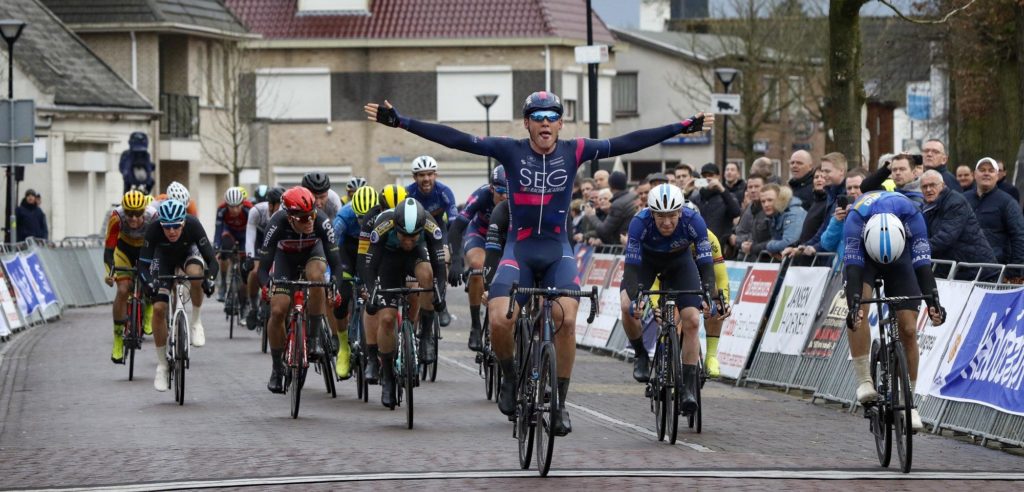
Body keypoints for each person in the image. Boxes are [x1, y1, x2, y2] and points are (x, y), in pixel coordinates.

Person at [364, 91, 712, 434]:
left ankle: (559, 402)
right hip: (521, 249)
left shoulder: (575, 150)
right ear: (527, 123)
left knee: (566, 318)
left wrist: (680, 127)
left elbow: (629, 141)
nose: (545, 123)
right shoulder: (510, 150)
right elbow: (458, 140)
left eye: (552, 117)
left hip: (558, 250)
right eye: (538, 117)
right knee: (500, 320)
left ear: (560, 123)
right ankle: (511, 379)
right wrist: (402, 123)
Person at [844, 191, 946, 430]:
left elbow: (922, 265)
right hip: (865, 261)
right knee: (858, 309)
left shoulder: (912, 216)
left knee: (909, 329)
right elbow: (853, 271)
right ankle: (864, 380)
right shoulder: (855, 220)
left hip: (902, 259)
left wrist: (934, 303)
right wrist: (855, 306)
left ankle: (908, 402)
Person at [619, 184, 721, 412]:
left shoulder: (693, 221)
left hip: (679, 264)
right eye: (661, 217)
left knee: (692, 320)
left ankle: (688, 387)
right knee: (627, 306)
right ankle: (641, 356)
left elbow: (706, 263)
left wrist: (707, 293)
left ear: (680, 212)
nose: (667, 223)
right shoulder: (639, 223)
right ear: (652, 213)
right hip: (646, 263)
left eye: (672, 216)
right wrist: (637, 299)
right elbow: (632, 269)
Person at [257, 187, 346, 394]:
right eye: (303, 218)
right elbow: (263, 268)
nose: (309, 221)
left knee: (316, 279)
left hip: (312, 255)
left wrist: (335, 286)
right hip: (284, 259)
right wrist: (265, 286)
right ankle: (277, 367)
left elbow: (337, 265)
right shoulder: (276, 223)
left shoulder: (321, 221)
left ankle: (314, 338)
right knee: (278, 310)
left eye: (311, 215)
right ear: (289, 217)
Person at [362, 198, 447, 407]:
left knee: (427, 274)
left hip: (415, 259)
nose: (408, 241)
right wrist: (372, 294)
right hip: (388, 261)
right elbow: (370, 268)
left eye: (413, 237)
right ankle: (388, 377)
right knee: (388, 319)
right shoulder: (383, 224)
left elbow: (439, 267)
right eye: (404, 236)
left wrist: (440, 294)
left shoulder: (429, 224)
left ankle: (426, 334)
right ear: (396, 228)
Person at [138, 199, 218, 391]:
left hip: (187, 254)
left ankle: (196, 322)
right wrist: (148, 283)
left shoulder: (193, 225)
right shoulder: (154, 229)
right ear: (161, 224)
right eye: (167, 227)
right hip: (163, 258)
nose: (172, 231)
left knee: (196, 275)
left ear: (183, 223)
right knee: (158, 308)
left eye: (176, 226)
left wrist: (211, 279)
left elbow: (211, 260)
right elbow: (142, 265)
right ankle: (162, 365)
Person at [447, 166, 508, 351]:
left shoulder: (518, 196)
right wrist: (456, 261)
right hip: (480, 235)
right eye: (500, 191)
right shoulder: (481, 196)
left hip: (507, 238)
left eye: (509, 192)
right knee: (476, 267)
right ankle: (475, 325)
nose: (505, 196)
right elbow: (456, 228)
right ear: (491, 188)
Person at [356, 184, 408, 384]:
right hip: (382, 260)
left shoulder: (415, 213)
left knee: (416, 289)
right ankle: (371, 356)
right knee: (373, 303)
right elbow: (364, 256)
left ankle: (416, 337)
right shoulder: (371, 219)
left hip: (407, 257)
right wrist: (367, 285)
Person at [103, 191, 157, 364]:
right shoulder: (117, 217)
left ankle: (148, 308)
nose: (133, 218)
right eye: (129, 213)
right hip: (123, 250)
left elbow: (159, 247)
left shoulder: (153, 217)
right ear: (124, 210)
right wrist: (110, 274)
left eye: (138, 213)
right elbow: (109, 251)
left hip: (145, 250)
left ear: (144, 210)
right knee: (123, 290)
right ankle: (118, 338)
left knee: (149, 281)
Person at [332, 185, 378, 379]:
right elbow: (330, 246)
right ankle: (343, 346)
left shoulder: (382, 213)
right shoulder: (343, 215)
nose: (362, 222)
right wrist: (331, 273)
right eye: (359, 218)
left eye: (365, 217)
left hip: (371, 249)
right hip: (347, 251)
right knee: (341, 297)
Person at [919, 170, 997, 280]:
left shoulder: (955, 202)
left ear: (943, 185)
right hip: (958, 271)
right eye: (924, 186)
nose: (928, 189)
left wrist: (918, 251)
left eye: (932, 185)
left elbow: (945, 238)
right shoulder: (928, 207)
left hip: (979, 272)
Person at [782, 152, 848, 262]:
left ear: (841, 171)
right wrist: (803, 246)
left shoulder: (843, 196)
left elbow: (835, 232)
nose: (824, 175)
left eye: (827, 171)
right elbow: (823, 228)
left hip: (837, 260)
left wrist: (815, 247)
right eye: (822, 171)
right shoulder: (831, 195)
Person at [964, 157, 1024, 266]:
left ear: (997, 176)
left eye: (991, 171)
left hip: (996, 269)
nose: (986, 173)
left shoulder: (1008, 202)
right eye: (982, 170)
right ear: (974, 175)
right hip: (964, 267)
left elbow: (1019, 237)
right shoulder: (963, 199)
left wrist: (1015, 271)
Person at [243, 186, 284, 329]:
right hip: (260, 242)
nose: (282, 209)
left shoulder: (285, 213)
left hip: (278, 243)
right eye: (279, 206)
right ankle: (253, 307)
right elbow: (250, 236)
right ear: (271, 205)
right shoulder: (257, 211)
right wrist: (249, 257)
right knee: (255, 272)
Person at [214, 187, 254, 303]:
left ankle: (244, 302)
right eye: (231, 206)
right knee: (224, 249)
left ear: (242, 203)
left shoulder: (249, 209)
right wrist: (216, 246)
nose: (235, 210)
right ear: (227, 205)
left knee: (244, 267)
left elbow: (253, 232)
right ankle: (223, 284)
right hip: (229, 232)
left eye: (238, 206)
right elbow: (218, 230)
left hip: (245, 235)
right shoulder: (221, 210)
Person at [819, 169, 867, 266]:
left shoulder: (872, 210)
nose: (852, 191)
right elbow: (826, 244)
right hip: (840, 270)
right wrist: (837, 222)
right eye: (849, 188)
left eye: (857, 187)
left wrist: (856, 216)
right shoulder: (841, 214)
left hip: (862, 269)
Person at [688, 163, 741, 248]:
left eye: (711, 175)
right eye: (704, 176)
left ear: (718, 177)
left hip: (719, 247)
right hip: (699, 246)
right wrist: (685, 192)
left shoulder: (727, 196)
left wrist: (721, 188)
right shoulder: (696, 198)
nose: (707, 178)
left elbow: (736, 212)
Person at [582, 170, 636, 246]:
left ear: (610, 186)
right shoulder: (633, 196)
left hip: (623, 245)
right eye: (600, 199)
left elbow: (604, 231)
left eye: (605, 198)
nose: (602, 201)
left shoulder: (618, 204)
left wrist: (591, 215)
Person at [760, 184, 806, 256]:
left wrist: (769, 245)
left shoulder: (793, 213)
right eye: (763, 201)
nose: (766, 204)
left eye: (770, 200)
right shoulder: (776, 214)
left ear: (780, 199)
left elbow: (789, 242)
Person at [733, 175, 771, 260]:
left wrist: (751, 243)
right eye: (750, 187)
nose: (753, 190)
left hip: (765, 260)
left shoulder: (771, 209)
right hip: (744, 259)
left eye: (757, 187)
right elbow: (739, 233)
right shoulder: (747, 209)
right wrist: (742, 243)